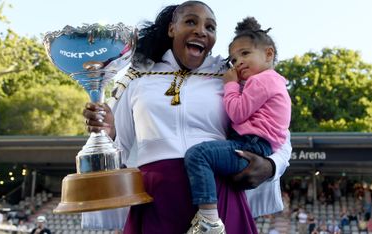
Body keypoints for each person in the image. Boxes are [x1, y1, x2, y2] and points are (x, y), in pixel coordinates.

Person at [82, 1, 291, 233]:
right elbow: (120, 147)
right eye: (191, 21)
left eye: (210, 27)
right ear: (172, 29)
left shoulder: (230, 76)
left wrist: (271, 165)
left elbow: (279, 129)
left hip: (219, 195)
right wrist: (108, 134)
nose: (201, 30)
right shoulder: (138, 79)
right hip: (156, 198)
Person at [183, 16, 291, 232]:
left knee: (198, 155)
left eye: (245, 54)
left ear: (268, 54)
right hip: (255, 145)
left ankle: (208, 220)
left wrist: (231, 85)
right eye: (233, 59)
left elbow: (237, 113)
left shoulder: (261, 81)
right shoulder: (272, 80)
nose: (238, 62)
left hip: (250, 145)